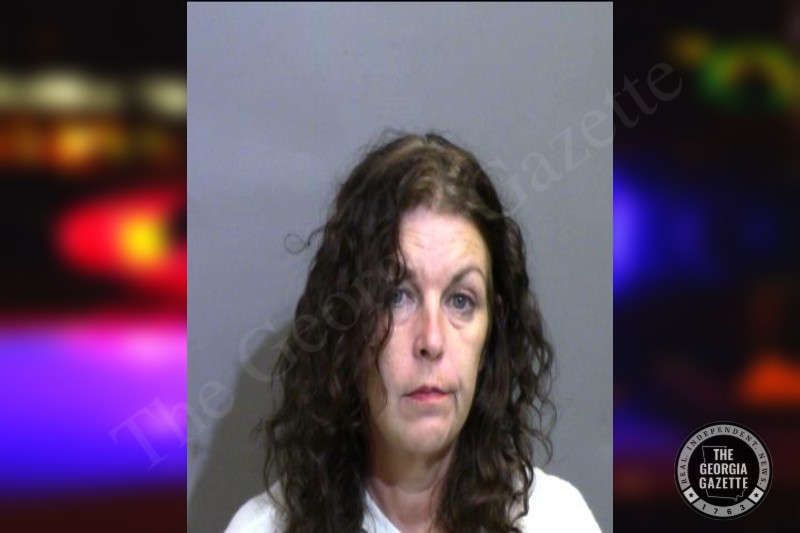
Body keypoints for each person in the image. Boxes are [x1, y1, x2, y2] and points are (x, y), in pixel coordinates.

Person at [225, 131, 601, 532]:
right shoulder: (263, 528)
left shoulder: (557, 521)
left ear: (491, 331)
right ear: (347, 328)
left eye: (461, 300)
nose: (432, 340)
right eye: (397, 296)